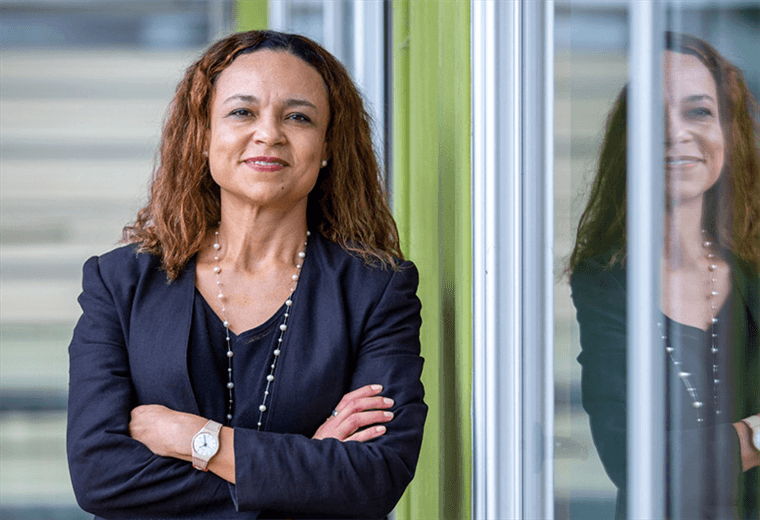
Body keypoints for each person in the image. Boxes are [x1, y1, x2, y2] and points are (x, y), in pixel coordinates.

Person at [66, 30, 427, 520]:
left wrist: (193, 439)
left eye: (298, 117)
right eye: (242, 112)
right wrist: (304, 470)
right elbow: (99, 476)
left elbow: (373, 478)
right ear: (203, 136)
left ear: (326, 147)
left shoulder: (377, 291)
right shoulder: (119, 285)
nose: (269, 134)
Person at [569, 32, 760, 519]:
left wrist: (699, 451)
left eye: (699, 111)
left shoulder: (755, 269)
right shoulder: (605, 281)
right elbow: (632, 459)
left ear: (729, 133)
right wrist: (754, 435)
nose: (675, 132)